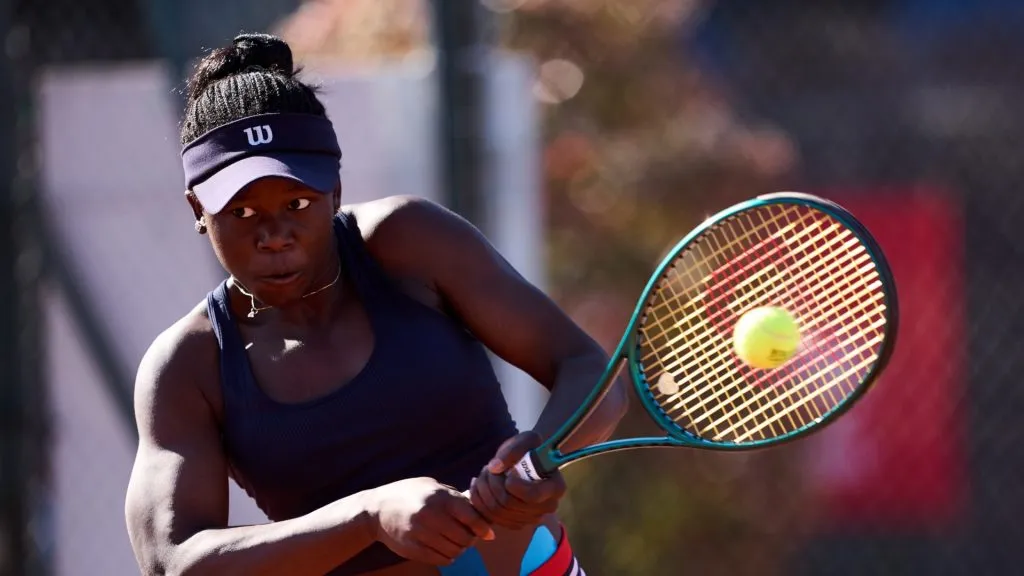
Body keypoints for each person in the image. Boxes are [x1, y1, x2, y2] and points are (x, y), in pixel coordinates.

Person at [124, 33, 628, 576]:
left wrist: (533, 459)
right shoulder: (187, 367)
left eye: (297, 202)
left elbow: (588, 370)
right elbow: (173, 561)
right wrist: (368, 515)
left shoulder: (408, 243)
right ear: (198, 209)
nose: (275, 234)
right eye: (242, 212)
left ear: (335, 190)